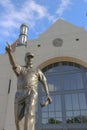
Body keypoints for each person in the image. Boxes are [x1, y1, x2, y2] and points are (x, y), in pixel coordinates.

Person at [6, 45, 52, 130]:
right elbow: (13, 64)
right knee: (17, 120)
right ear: (25, 59)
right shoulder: (20, 69)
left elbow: (44, 81)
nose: (30, 59)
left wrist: (47, 94)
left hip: (31, 92)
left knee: (29, 114)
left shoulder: (37, 70)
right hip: (19, 93)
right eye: (28, 57)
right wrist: (9, 53)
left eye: (31, 57)